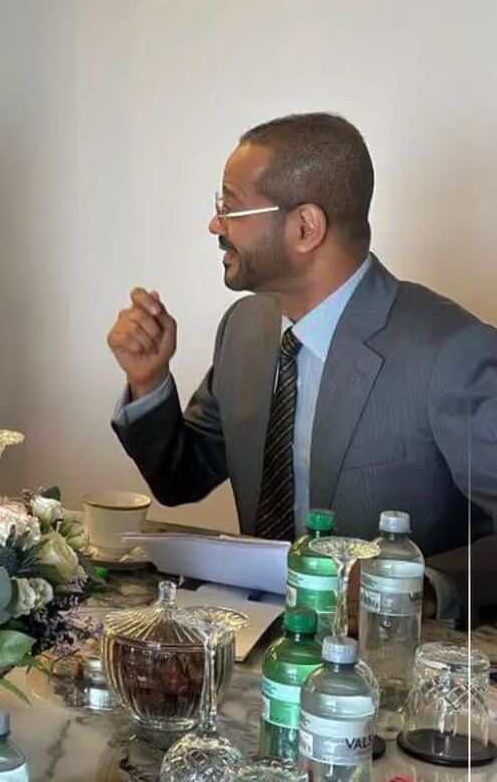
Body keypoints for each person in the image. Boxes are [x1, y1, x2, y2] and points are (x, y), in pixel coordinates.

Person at [107, 112, 497, 623]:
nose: (215, 225)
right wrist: (150, 381)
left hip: (387, 656)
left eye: (230, 207)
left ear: (306, 228)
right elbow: (182, 480)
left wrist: (422, 588)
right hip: (259, 638)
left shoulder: (451, 351)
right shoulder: (245, 327)